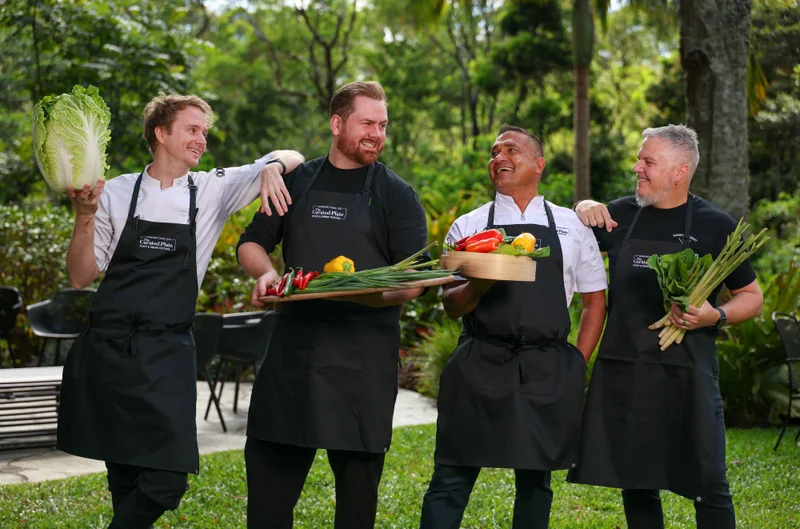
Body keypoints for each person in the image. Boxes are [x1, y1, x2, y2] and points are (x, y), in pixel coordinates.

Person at [57, 92, 304, 529]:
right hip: (110, 350)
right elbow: (80, 277)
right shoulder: (115, 192)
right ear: (161, 133)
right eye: (192, 130)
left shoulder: (212, 188)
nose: (201, 141)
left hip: (167, 352)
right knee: (125, 477)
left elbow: (294, 153)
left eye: (204, 132)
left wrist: (272, 166)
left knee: (167, 481)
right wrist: (84, 214)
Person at [236, 81, 429, 529]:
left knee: (356, 509)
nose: (376, 134)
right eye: (367, 123)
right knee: (268, 498)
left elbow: (414, 281)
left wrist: (362, 292)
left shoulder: (397, 194)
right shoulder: (297, 182)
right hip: (292, 359)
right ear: (337, 123)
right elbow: (252, 243)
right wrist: (265, 273)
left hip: (362, 366)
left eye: (382, 125)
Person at [567, 124, 764, 529]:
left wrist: (715, 315)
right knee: (635, 479)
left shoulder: (716, 225)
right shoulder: (618, 215)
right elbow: (568, 237)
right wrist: (582, 206)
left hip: (687, 373)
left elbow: (752, 297)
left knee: (709, 480)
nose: (636, 167)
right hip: (625, 370)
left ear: (679, 172)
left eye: (647, 161)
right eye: (639, 159)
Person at [418, 125, 608, 529]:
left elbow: (595, 301)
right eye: (494, 152)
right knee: (452, 475)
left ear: (538, 165)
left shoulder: (572, 226)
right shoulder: (467, 227)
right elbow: (451, 305)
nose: (499, 157)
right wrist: (483, 279)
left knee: (536, 483)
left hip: (546, 367)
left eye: (511, 150)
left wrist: (577, 361)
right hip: (479, 363)